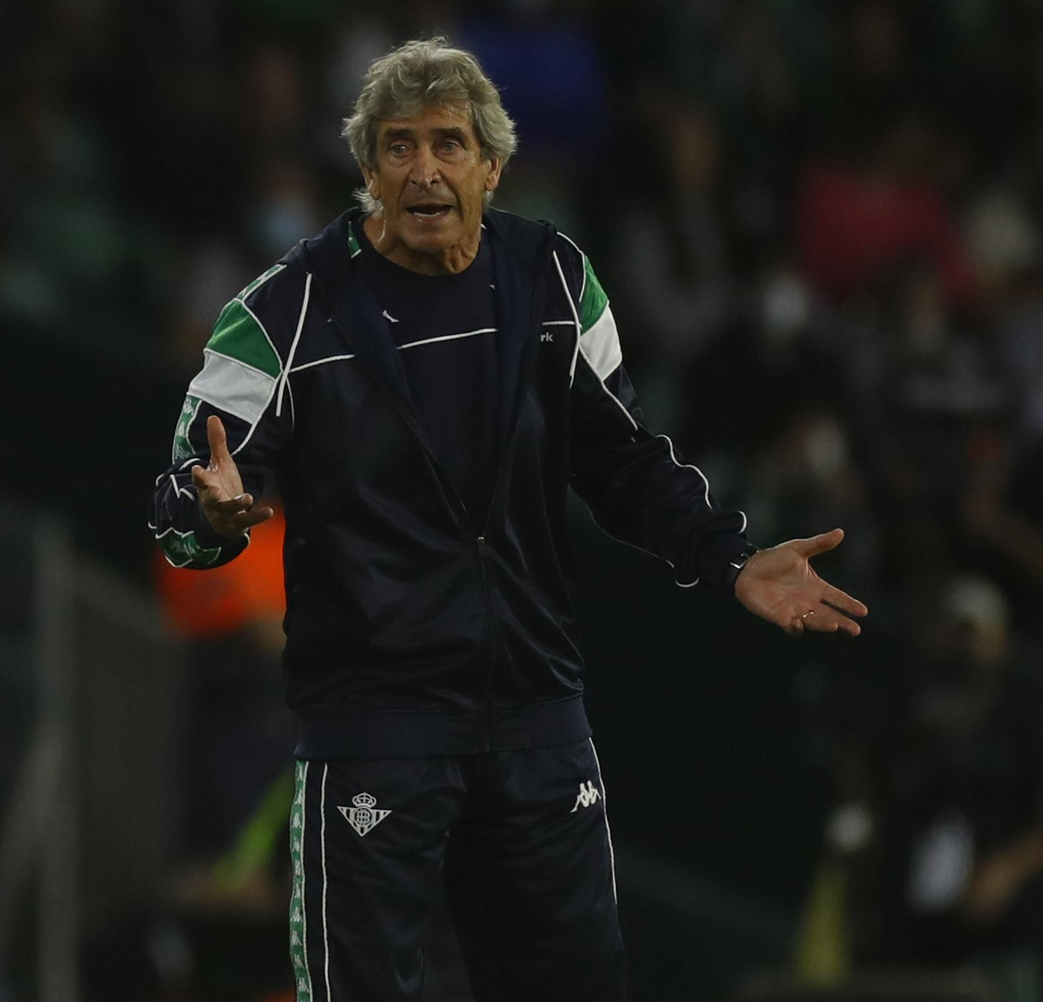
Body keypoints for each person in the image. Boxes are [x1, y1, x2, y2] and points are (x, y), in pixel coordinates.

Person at [147, 38, 868, 1001]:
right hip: (375, 731)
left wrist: (729, 557)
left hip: (536, 723)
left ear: (494, 165)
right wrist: (210, 516)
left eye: (449, 144)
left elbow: (623, 459)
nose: (425, 170)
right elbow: (181, 503)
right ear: (367, 170)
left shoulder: (555, 279)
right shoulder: (279, 314)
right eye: (398, 147)